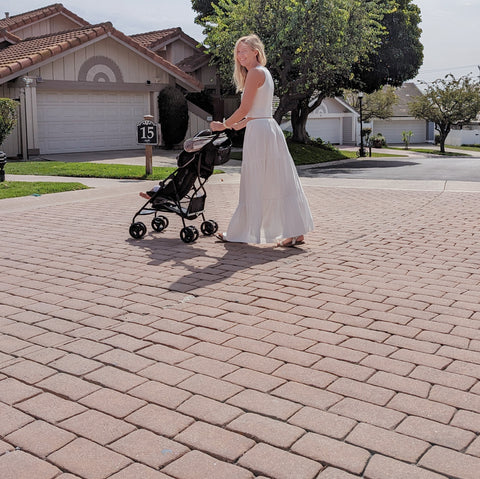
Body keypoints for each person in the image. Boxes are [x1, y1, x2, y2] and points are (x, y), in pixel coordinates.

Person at [210, 34, 314, 247]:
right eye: (237, 52)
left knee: (257, 183)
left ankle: (243, 232)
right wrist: (241, 123)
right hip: (265, 128)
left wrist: (225, 124)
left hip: (260, 133)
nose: (239, 56)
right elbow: (258, 110)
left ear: (255, 51)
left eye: (244, 51)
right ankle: (296, 231)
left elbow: (245, 108)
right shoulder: (262, 73)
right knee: (278, 181)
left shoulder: (255, 73)